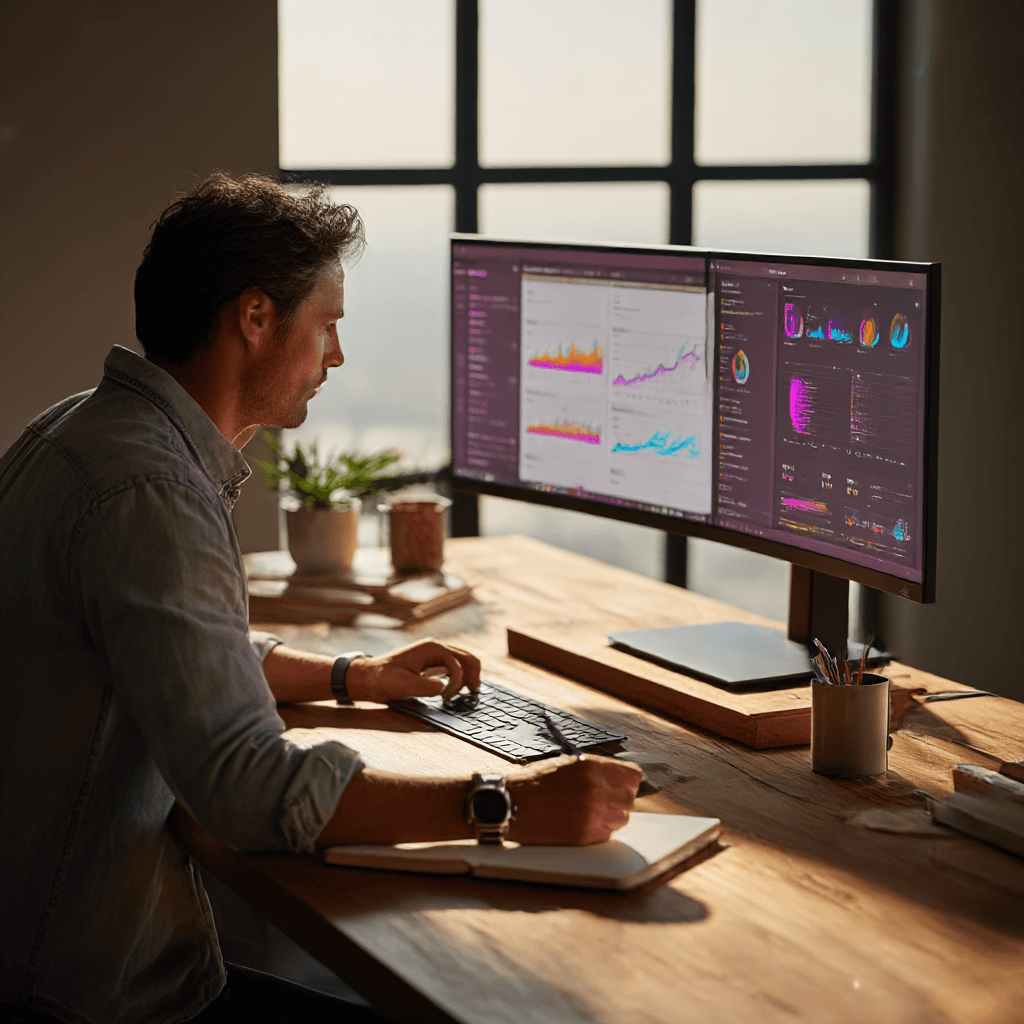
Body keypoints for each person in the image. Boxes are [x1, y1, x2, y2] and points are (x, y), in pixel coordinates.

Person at [0, 172, 641, 1024]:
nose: (336, 355)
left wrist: (352, 676)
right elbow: (243, 786)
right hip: (82, 996)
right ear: (255, 317)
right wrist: (511, 803)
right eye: (327, 323)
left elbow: (176, 652)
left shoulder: (79, 429)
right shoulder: (153, 492)